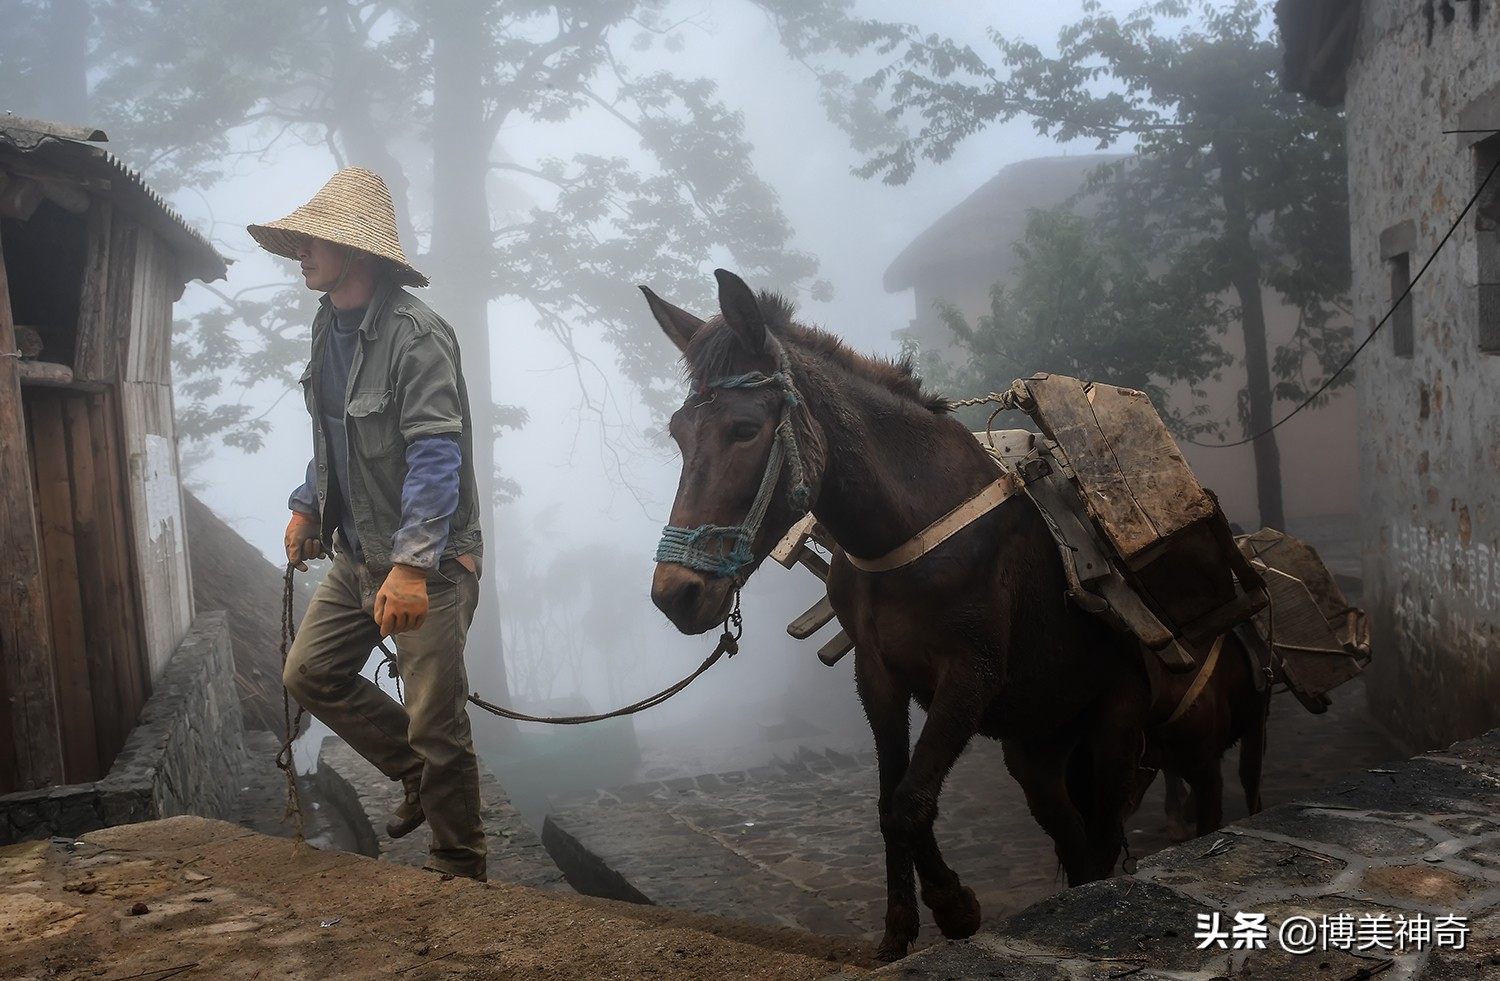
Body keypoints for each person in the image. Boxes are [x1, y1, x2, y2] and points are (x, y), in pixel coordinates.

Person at [249, 167, 488, 881]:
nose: (300, 251)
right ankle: (413, 771)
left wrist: (413, 567)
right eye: (298, 241)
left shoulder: (418, 336)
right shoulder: (329, 325)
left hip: (430, 567)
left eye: (313, 240)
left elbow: (436, 458)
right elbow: (337, 436)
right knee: (309, 672)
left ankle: (460, 872)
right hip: (356, 556)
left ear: (355, 252)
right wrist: (305, 501)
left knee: (438, 725)